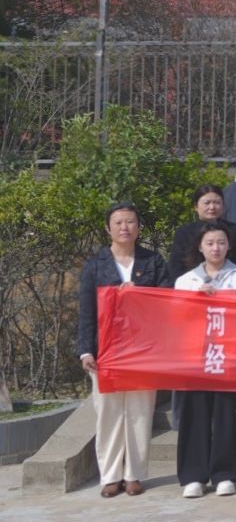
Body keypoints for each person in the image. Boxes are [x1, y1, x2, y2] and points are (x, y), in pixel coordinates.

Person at [79, 203, 172, 498]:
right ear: (108, 228)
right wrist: (85, 350)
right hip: (105, 350)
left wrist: (140, 293)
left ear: (139, 228)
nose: (124, 227)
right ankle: (110, 475)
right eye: (118, 222)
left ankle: (134, 474)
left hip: (143, 348)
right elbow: (86, 311)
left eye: (130, 222)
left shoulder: (153, 261)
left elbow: (168, 298)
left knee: (140, 411)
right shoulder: (96, 265)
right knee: (108, 413)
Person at [174, 223, 236, 498]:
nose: (216, 248)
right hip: (195, 357)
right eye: (210, 243)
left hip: (227, 355)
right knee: (194, 416)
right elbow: (177, 319)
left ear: (229, 246)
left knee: (225, 415)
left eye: (221, 242)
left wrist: (221, 300)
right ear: (200, 247)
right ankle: (193, 476)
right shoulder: (186, 281)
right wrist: (197, 300)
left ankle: (224, 474)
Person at [171, 185, 236, 278]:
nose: (212, 207)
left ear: (223, 205)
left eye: (217, 202)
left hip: (230, 282)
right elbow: (176, 268)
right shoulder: (184, 233)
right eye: (207, 203)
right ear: (196, 206)